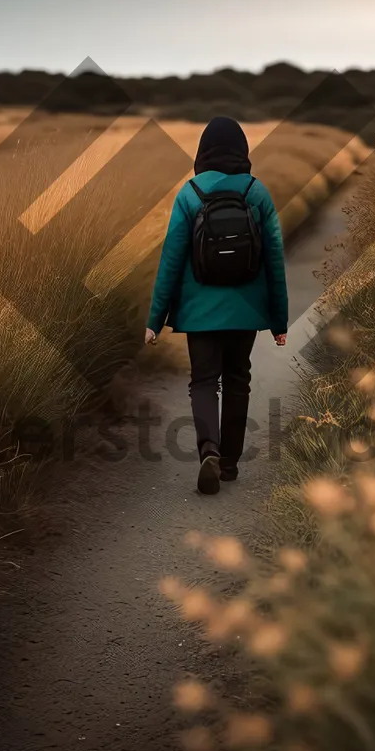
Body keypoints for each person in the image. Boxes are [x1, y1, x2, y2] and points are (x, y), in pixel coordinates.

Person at [144, 116, 288, 495]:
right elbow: (274, 260)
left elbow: (171, 260)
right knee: (238, 380)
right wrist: (279, 321)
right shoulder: (258, 193)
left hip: (199, 312)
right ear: (242, 151)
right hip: (247, 310)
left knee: (204, 381)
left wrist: (155, 320)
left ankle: (208, 447)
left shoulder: (189, 193)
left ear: (202, 151)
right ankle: (228, 464)